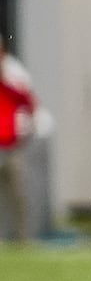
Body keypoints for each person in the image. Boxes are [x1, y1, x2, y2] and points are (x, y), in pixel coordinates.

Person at [0, 44, 33, 242]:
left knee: (17, 196)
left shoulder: (13, 85)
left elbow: (30, 106)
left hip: (11, 148)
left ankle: (21, 238)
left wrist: (26, 134)